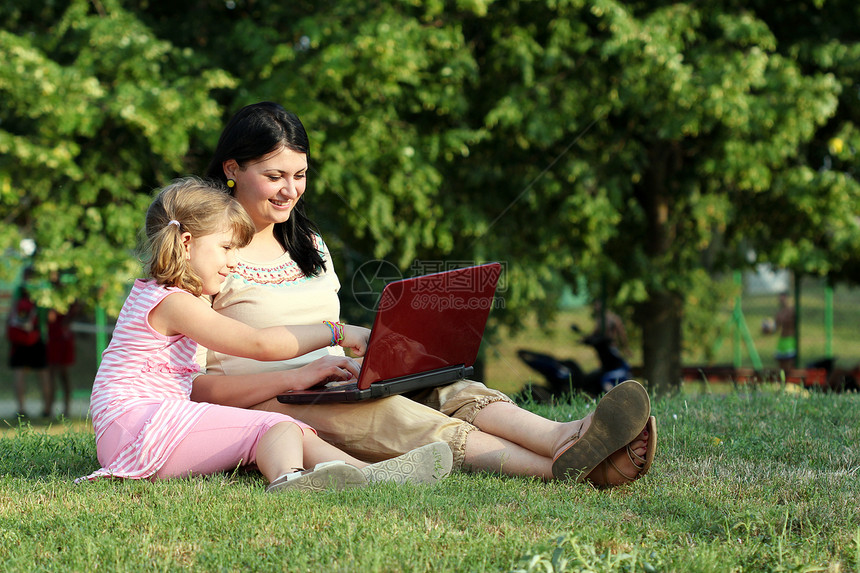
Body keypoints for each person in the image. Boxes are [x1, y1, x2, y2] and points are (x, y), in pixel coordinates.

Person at [191, 101, 656, 487]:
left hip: (336, 381)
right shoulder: (203, 255)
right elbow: (195, 387)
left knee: (446, 384)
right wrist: (294, 378)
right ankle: (569, 470)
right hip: (272, 401)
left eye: (301, 175)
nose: (290, 190)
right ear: (232, 168)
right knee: (398, 415)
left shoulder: (306, 242)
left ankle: (566, 435)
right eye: (275, 176)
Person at [78, 177, 452, 492]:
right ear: (187, 242)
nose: (233, 261)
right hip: (136, 427)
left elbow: (193, 386)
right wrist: (337, 332)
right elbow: (259, 344)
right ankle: (290, 479)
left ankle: (372, 476)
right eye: (226, 248)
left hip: (141, 425)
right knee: (275, 426)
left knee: (296, 430)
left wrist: (298, 375)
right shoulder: (174, 302)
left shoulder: (173, 298)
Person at [6, 272, 50, 419]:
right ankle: (47, 408)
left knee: (20, 373)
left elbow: (11, 314)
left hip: (20, 338)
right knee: (42, 373)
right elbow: (46, 316)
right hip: (36, 336)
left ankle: (21, 408)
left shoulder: (20, 290)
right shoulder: (41, 291)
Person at [773, 291, 797, 373]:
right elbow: (775, 327)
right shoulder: (779, 313)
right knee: (781, 364)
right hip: (782, 340)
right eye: (780, 298)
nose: (782, 300)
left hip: (790, 339)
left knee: (790, 363)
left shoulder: (793, 311)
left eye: (784, 297)